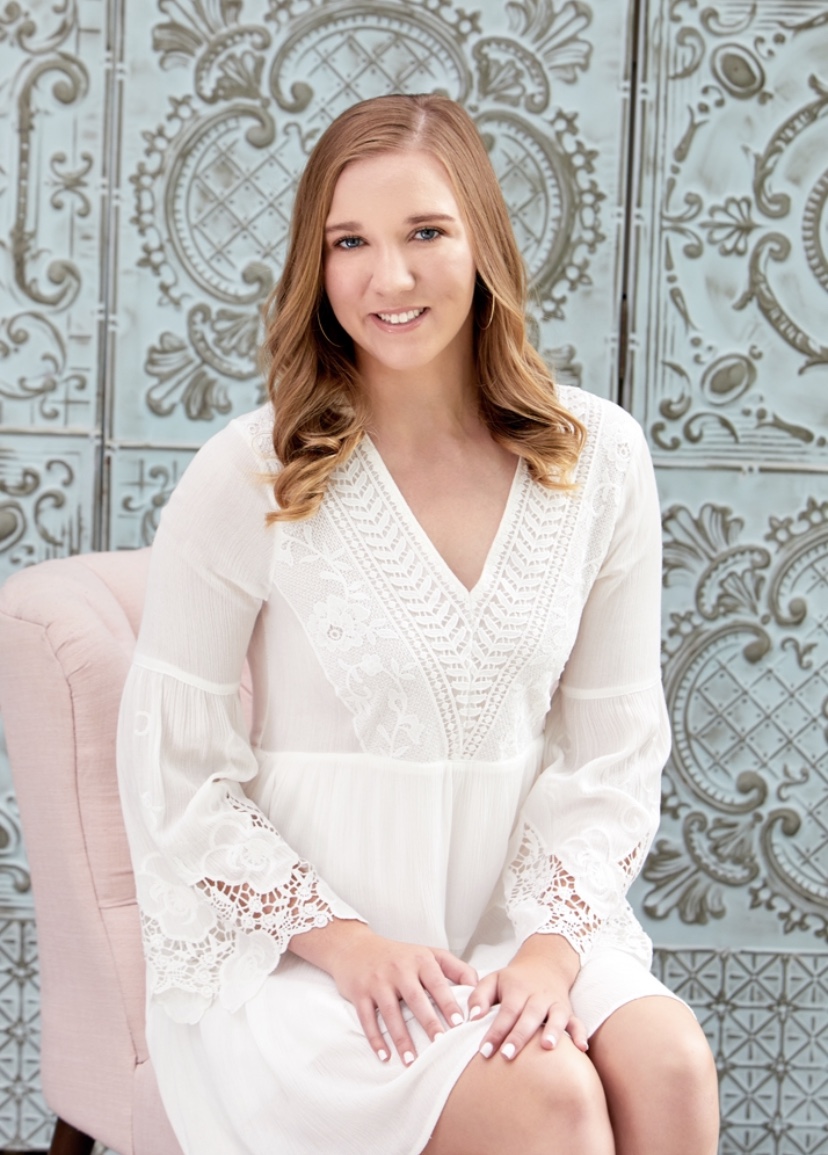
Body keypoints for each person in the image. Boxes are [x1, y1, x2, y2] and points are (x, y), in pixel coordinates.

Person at [116, 93, 719, 1155]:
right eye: (350, 242)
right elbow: (173, 774)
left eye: (426, 233)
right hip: (308, 954)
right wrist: (344, 941)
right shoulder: (251, 473)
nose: (387, 279)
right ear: (317, 262)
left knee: (669, 1064)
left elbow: (613, 753)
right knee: (553, 1101)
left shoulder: (600, 461)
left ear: (483, 238)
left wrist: (548, 950)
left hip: (523, 916)